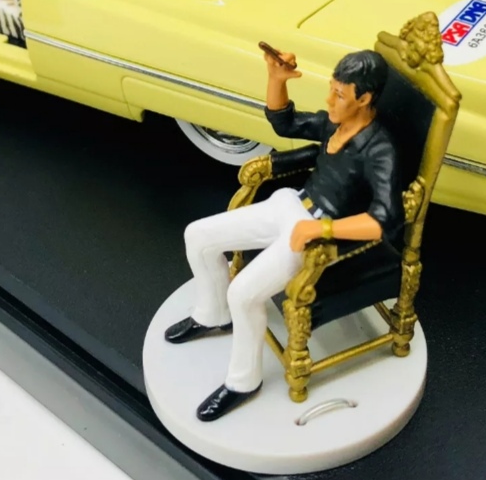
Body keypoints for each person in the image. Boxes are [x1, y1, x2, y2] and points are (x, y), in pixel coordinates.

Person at [164, 45, 404, 422]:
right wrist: (276, 78)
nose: (330, 100)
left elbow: (386, 219)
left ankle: (243, 381)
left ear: (365, 98)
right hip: (291, 203)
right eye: (331, 89)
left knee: (244, 293)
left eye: (340, 94)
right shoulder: (334, 122)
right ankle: (213, 315)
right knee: (198, 236)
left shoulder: (380, 150)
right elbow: (285, 124)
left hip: (317, 234)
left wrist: (322, 228)